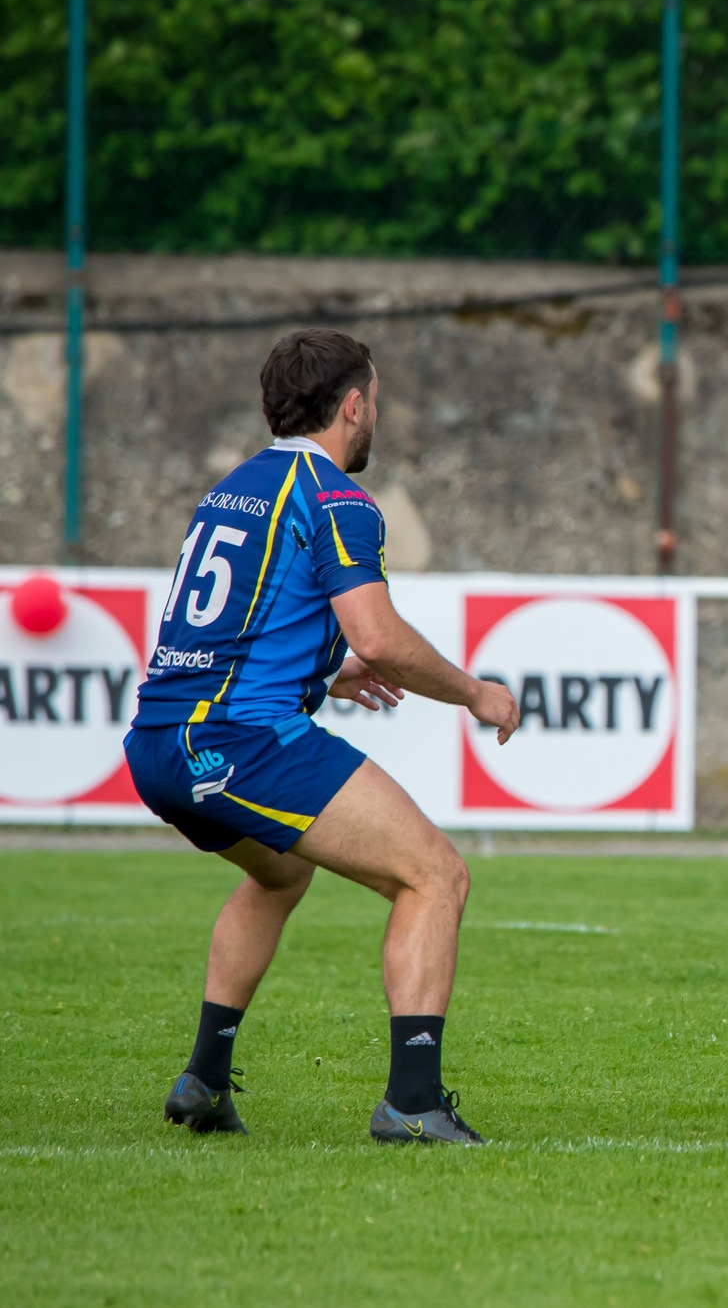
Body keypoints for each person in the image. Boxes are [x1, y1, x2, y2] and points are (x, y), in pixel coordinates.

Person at [125, 328, 520, 1145]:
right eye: (373, 399)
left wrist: (321, 672)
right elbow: (379, 637)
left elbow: (223, 624)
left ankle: (202, 1077)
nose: (375, 413)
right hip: (237, 740)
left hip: (159, 742)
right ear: (351, 405)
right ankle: (414, 1100)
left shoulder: (234, 487)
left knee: (281, 874)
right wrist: (475, 693)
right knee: (434, 876)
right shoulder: (337, 496)